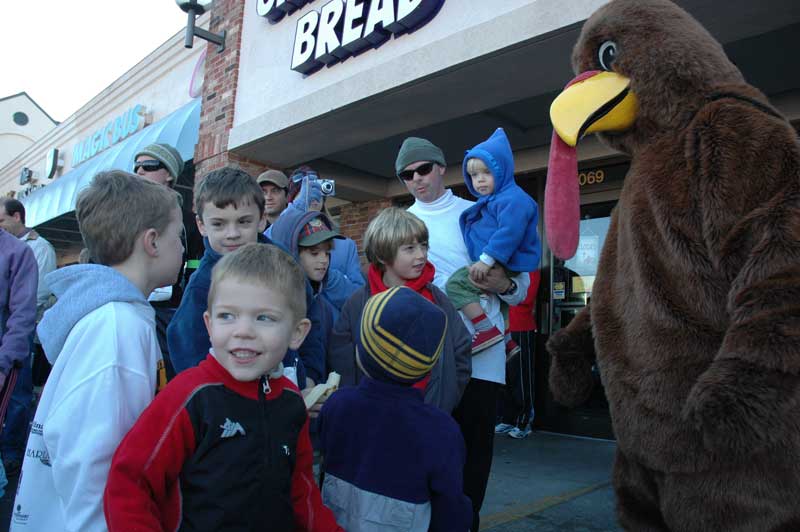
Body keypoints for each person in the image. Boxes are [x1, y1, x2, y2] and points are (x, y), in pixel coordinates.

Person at [104, 244, 342, 531]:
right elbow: (130, 482)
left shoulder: (291, 402)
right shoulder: (189, 396)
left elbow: (302, 491)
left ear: (297, 332)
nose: (242, 331)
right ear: (209, 323)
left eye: (264, 317)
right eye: (227, 316)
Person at [11, 171, 184, 531]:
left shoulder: (118, 317)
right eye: (178, 235)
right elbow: (94, 465)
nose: (183, 247)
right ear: (152, 242)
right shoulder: (117, 327)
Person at [398, 136, 529, 532]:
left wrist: (502, 285)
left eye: (423, 169)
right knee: (424, 468)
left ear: (441, 167)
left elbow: (521, 288)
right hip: (424, 364)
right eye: (407, 174)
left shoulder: (479, 212)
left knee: (472, 474)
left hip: (483, 366)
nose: (416, 179)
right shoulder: (401, 224)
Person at [319, 286, 472, 531]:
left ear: (361, 350)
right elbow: (451, 512)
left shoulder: (337, 405)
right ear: (427, 367)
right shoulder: (441, 430)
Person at [166, 167, 325, 388]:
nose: (232, 234)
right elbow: (187, 352)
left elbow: (310, 317)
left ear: (261, 221)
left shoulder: (284, 264)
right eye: (219, 224)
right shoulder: (202, 287)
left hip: (293, 394)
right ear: (201, 226)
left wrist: (310, 377)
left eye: (243, 222)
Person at [329, 207, 471, 414]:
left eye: (424, 246)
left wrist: (445, 400)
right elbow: (342, 360)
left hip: (427, 415)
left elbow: (461, 350)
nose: (422, 255)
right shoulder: (357, 303)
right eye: (410, 248)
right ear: (382, 254)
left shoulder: (438, 301)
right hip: (372, 417)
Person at [446, 128, 541, 358]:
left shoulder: (513, 199)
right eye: (473, 175)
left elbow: (508, 233)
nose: (479, 180)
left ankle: (484, 329)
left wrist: (486, 260)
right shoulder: (497, 200)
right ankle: (508, 341)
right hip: (504, 262)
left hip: (502, 261)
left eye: (486, 173)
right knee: (501, 302)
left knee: (456, 285)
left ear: (502, 171)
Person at [0, 198, 56, 475]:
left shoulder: (30, 249)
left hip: (14, 337)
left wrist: (7, 357)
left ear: (17, 216)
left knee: (18, 398)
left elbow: (30, 303)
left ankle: (11, 454)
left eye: (3, 219)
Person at [272, 167, 365, 318]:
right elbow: (271, 240)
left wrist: (330, 278)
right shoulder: (281, 233)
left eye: (317, 192)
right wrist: (296, 209)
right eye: (304, 193)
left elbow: (359, 301)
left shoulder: (345, 245)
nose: (323, 260)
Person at [134, 143, 192, 379]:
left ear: (169, 174)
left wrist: (183, 292)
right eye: (136, 166)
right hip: (134, 308)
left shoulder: (189, 221)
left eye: (148, 166)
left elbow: (197, 262)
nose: (139, 171)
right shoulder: (127, 214)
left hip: (171, 314)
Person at [270, 207, 342, 359]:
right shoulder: (272, 303)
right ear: (291, 252)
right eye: (314, 253)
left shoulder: (323, 305)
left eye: (327, 253)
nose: (324, 260)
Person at [0, 228, 38, 499]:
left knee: (17, 405)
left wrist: (4, 365)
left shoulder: (17, 253)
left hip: (4, 360)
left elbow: (22, 316)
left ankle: (12, 456)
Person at [495, 270, 541, 439]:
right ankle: (508, 418)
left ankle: (524, 421)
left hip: (522, 328)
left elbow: (526, 299)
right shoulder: (507, 270)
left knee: (522, 377)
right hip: (503, 327)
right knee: (505, 377)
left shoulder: (530, 270)